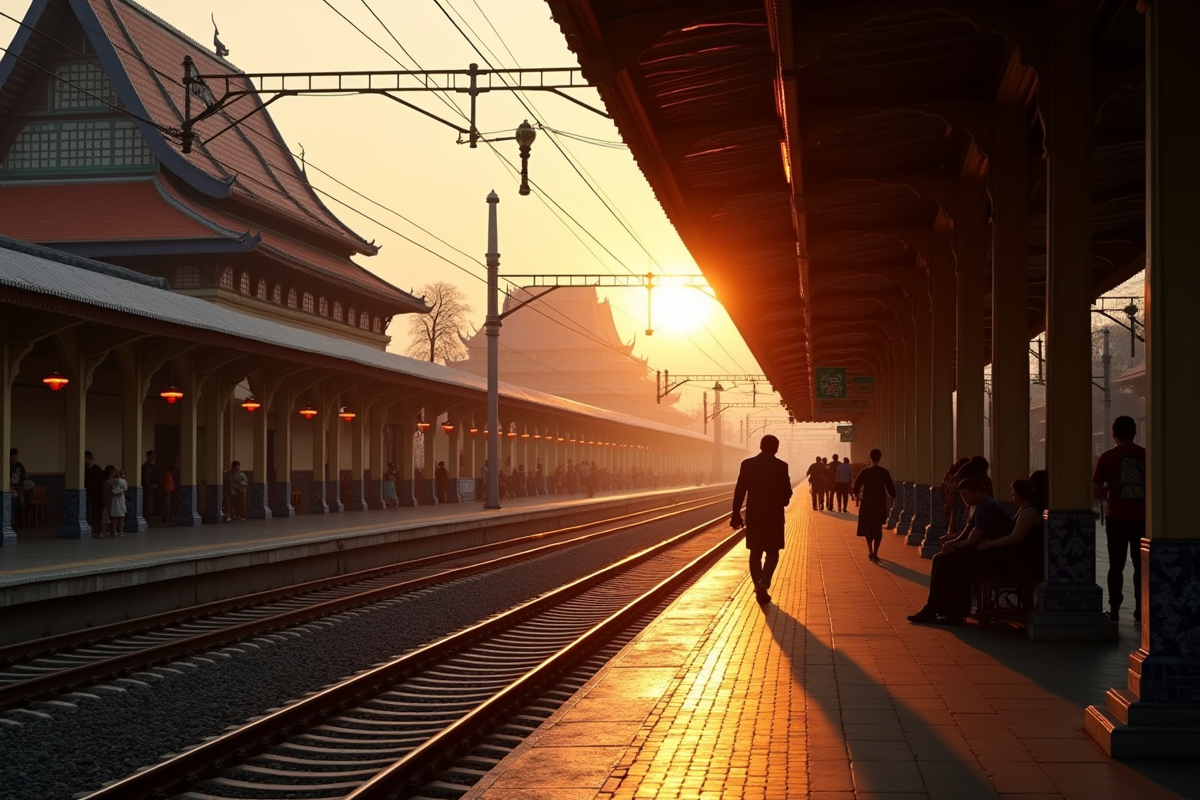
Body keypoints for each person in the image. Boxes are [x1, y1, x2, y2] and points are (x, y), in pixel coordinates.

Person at [907, 477, 1012, 624]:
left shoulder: (987, 507)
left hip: (994, 556)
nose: (963, 499)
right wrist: (953, 541)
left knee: (946, 561)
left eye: (966, 494)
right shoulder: (976, 506)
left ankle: (936, 610)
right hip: (981, 551)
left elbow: (973, 539)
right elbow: (967, 530)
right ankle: (949, 610)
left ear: (977, 492)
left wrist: (954, 546)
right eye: (962, 495)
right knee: (940, 558)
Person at [1092, 415, 1146, 626]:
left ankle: (1114, 610)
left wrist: (1112, 489)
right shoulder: (1145, 455)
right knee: (1141, 566)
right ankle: (1141, 611)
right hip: (1142, 519)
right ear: (1134, 433)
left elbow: (1096, 492)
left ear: (1114, 434)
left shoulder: (1107, 457)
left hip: (1116, 518)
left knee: (1116, 566)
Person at [731, 434, 793, 605]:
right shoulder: (782, 466)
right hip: (774, 515)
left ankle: (759, 588)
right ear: (776, 448)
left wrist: (735, 513)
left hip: (754, 515)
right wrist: (783, 499)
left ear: (760, 446)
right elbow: (786, 493)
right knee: (773, 552)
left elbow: (740, 490)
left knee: (755, 553)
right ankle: (763, 584)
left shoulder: (748, 464)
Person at [853, 448, 896, 562]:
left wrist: (857, 495)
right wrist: (893, 496)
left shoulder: (865, 472)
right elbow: (891, 489)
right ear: (880, 458)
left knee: (868, 527)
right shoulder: (884, 472)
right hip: (879, 503)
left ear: (869, 457)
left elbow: (855, 486)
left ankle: (870, 550)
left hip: (867, 503)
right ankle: (876, 552)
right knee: (877, 528)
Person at [84, 451, 106, 531]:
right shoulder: (84, 469)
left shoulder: (97, 470)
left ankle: (96, 524)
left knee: (96, 509)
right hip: (87, 492)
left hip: (97, 493)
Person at [141, 450, 159, 523]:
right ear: (148, 456)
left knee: (151, 504)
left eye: (154, 456)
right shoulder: (145, 466)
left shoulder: (154, 466)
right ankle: (146, 518)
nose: (153, 457)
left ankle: (149, 517)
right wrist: (149, 485)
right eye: (152, 456)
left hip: (153, 486)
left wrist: (156, 483)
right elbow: (146, 477)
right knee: (147, 503)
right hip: (147, 488)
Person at [110, 468, 128, 536]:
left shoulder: (113, 482)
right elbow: (125, 489)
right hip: (120, 499)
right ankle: (120, 530)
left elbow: (113, 491)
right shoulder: (123, 482)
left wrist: (116, 492)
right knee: (121, 516)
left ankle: (114, 531)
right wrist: (120, 492)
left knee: (115, 517)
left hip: (115, 499)